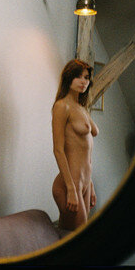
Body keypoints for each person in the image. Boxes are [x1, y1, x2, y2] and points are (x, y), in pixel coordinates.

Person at [51, 59, 99, 231]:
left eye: (86, 78)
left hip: (84, 182)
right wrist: (71, 189)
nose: (83, 81)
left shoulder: (81, 108)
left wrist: (90, 184)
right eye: (78, 77)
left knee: (73, 235)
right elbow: (58, 150)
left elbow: (85, 151)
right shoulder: (61, 107)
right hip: (69, 184)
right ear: (68, 78)